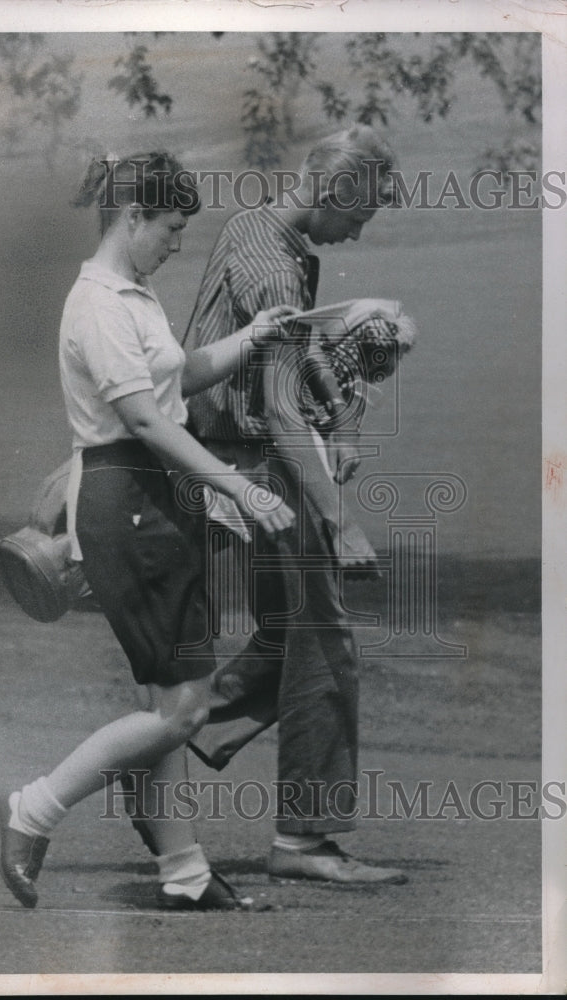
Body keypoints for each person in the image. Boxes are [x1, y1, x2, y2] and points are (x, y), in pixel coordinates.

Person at [0, 151, 297, 911]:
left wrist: (254, 336)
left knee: (166, 702)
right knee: (183, 711)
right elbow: (144, 418)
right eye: (171, 228)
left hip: (158, 503)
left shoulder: (136, 293)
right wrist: (240, 491)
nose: (178, 243)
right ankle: (33, 809)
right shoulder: (97, 303)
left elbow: (180, 376)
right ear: (132, 219)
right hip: (129, 502)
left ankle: (185, 876)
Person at [182, 124, 409, 885]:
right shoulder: (278, 270)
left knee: (284, 633)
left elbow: (298, 349)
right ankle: (304, 841)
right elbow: (279, 414)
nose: (357, 232)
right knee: (322, 635)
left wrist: (341, 419)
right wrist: (340, 525)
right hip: (255, 461)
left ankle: (157, 740)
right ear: (334, 191)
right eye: (361, 215)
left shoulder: (259, 232)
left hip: (231, 458)